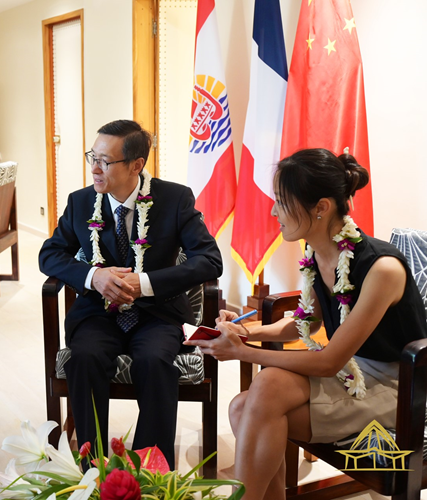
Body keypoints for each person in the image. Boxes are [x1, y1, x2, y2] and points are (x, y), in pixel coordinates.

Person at [186, 148, 427, 500]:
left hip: (400, 386)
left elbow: (328, 361)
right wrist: (243, 331)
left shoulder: (382, 269)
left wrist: (243, 352)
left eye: (282, 202)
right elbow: (302, 325)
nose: (273, 211)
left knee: (257, 398)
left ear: (321, 207)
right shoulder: (319, 253)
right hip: (352, 370)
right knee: (244, 405)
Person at [39, 119, 223, 468]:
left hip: (159, 314)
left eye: (105, 161)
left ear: (136, 165)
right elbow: (49, 255)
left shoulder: (174, 199)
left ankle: (147, 472)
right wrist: (94, 276)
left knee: (155, 362)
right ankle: (91, 469)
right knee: (84, 357)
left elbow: (210, 260)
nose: (94, 168)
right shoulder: (80, 202)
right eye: (92, 156)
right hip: (97, 314)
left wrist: (146, 283)